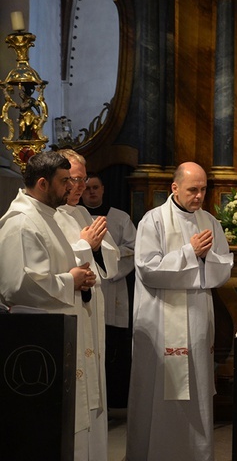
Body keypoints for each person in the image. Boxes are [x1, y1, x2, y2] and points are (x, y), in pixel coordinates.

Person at [126, 162, 234, 461]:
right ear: (175, 188)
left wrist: (206, 258)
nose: (199, 196)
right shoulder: (153, 220)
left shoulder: (210, 221)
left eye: (203, 189)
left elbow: (223, 266)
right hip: (161, 320)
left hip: (197, 318)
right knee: (160, 392)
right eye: (192, 190)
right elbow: (147, 269)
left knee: (196, 390)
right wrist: (190, 253)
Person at [0, 151, 98, 458]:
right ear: (43, 183)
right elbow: (19, 284)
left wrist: (78, 278)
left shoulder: (47, 215)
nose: (71, 187)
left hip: (58, 334)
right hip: (39, 342)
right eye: (64, 181)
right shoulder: (22, 224)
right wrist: (71, 280)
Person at [53, 149, 120, 460]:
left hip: (90, 311)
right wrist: (84, 246)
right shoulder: (48, 214)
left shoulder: (82, 213)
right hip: (68, 313)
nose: (80, 187)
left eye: (83, 179)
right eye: (75, 180)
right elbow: (55, 267)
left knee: (94, 394)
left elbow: (113, 261)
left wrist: (92, 248)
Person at [82, 172, 137, 408]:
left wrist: (107, 259)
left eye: (95, 187)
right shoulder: (76, 215)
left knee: (113, 344)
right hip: (84, 284)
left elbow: (133, 249)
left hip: (113, 286)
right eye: (87, 188)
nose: (91, 192)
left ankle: (114, 399)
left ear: (103, 189)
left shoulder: (120, 217)